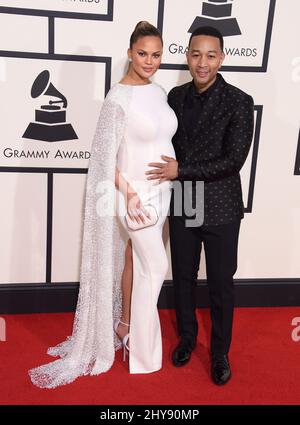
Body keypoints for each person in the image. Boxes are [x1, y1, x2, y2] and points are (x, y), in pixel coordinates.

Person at [29, 21, 177, 388]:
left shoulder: (159, 92)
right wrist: (127, 193)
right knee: (156, 266)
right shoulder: (118, 98)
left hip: (165, 193)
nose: (149, 61)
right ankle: (142, 350)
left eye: (156, 54)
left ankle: (128, 331)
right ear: (129, 53)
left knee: (142, 265)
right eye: (142, 53)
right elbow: (102, 158)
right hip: (135, 196)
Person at [146, 26, 254, 385]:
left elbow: (233, 160)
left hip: (221, 204)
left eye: (210, 55)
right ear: (187, 55)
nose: (202, 63)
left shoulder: (239, 101)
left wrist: (182, 170)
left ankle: (220, 352)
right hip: (186, 200)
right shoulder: (174, 97)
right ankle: (188, 338)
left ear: (221, 58)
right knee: (185, 279)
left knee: (221, 282)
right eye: (196, 54)